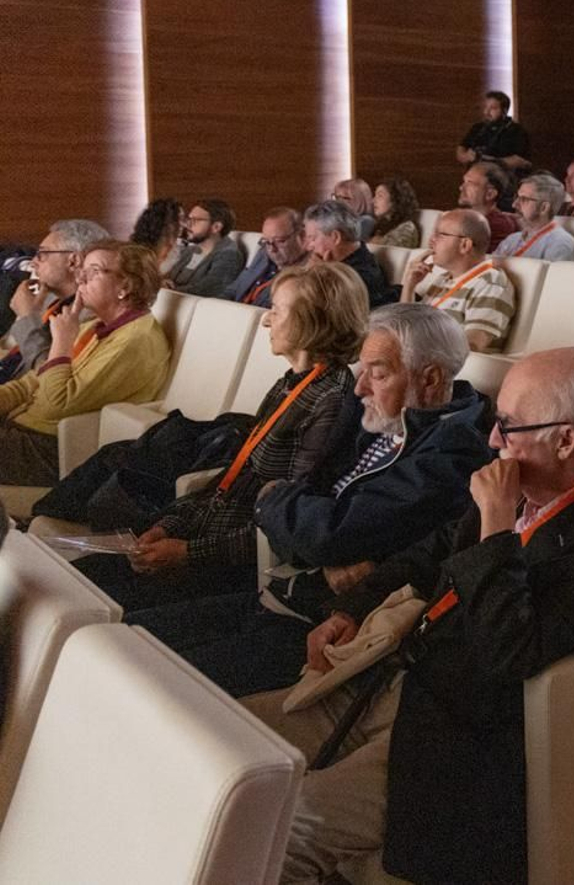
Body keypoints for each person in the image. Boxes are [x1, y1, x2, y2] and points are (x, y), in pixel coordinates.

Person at [245, 348, 574, 885]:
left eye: (508, 426)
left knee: (271, 833)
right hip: (393, 675)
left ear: (565, 439)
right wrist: (353, 607)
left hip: (455, 732)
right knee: (224, 745)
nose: (492, 440)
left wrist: (496, 528)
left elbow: (510, 653)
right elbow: (432, 552)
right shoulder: (529, 479)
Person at [126, 304, 493, 698]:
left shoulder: (453, 452)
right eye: (362, 370)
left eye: (378, 373)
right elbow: (312, 495)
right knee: (126, 640)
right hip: (280, 588)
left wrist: (275, 504)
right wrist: (307, 528)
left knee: (148, 683)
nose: (360, 388)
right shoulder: (382, 419)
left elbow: (327, 534)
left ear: (431, 378)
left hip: (317, 625)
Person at [76, 264, 367, 612]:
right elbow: (232, 478)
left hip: (230, 562)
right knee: (76, 577)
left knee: (94, 601)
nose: (266, 320)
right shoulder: (291, 383)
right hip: (204, 534)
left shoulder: (332, 399)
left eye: (277, 310)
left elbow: (287, 520)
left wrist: (187, 553)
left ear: (313, 321)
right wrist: (168, 526)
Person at [0, 242, 170, 486]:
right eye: (83, 270)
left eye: (94, 271)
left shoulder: (136, 341)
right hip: (21, 428)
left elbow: (57, 404)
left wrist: (61, 343)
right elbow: (29, 383)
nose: (80, 279)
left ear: (125, 286)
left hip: (49, 449)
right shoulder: (94, 326)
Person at [3, 219, 108, 379]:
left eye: (42, 254)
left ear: (73, 261)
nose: (33, 262)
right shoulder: (51, 300)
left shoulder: (92, 316)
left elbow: (50, 377)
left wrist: (27, 317)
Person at [402, 209, 515, 353]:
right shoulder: (443, 279)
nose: (431, 240)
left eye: (440, 235)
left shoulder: (491, 283)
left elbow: (471, 346)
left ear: (465, 245)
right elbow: (407, 328)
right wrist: (409, 286)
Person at [303, 201, 397, 309]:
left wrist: (319, 277)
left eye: (313, 238)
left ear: (335, 237)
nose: (309, 247)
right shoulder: (338, 266)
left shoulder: (362, 276)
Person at [226, 207, 309, 307]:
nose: (272, 249)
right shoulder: (263, 253)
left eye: (279, 241)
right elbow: (233, 290)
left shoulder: (307, 271)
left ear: (302, 236)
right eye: (266, 241)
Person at [169, 198, 244, 298]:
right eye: (189, 219)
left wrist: (168, 291)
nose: (188, 224)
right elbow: (168, 276)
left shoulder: (229, 255)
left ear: (216, 227)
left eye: (195, 220)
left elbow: (208, 290)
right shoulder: (190, 250)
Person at [495, 174, 574, 261]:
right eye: (517, 197)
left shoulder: (560, 243)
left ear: (544, 208)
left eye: (524, 199)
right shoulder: (512, 239)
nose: (514, 205)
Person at [456, 89, 530, 171]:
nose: (486, 112)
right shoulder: (477, 127)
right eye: (486, 107)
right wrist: (467, 156)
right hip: (475, 173)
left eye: (493, 108)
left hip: (503, 175)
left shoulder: (517, 130)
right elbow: (461, 150)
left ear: (504, 111)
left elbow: (520, 161)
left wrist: (492, 161)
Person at [459, 161, 517, 244]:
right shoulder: (466, 219)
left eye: (470, 183)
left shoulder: (498, 225)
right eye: (464, 181)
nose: (461, 187)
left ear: (490, 194)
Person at [369, 177, 422, 249]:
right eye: (375, 195)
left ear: (395, 200)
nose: (373, 201)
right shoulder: (381, 226)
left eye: (380, 196)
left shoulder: (407, 228)